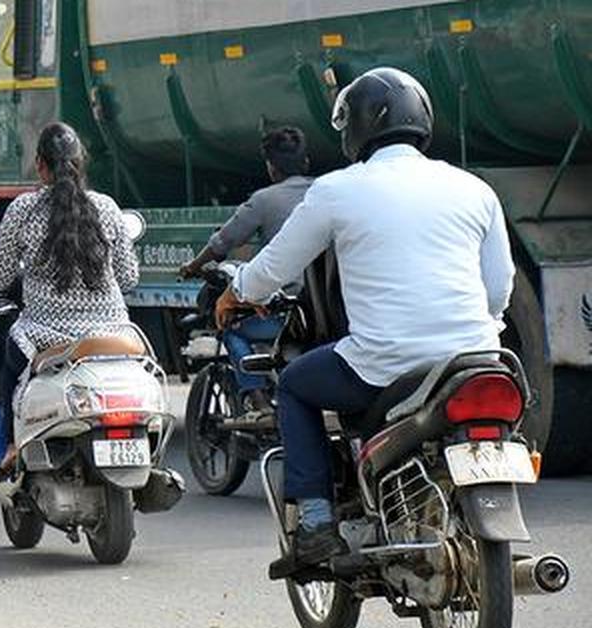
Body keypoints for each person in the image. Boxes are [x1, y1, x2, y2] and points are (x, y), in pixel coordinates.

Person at [214, 67, 514, 572]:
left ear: (357, 126)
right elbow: (498, 287)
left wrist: (236, 292)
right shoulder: (474, 188)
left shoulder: (338, 190)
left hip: (383, 366)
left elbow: (275, 268)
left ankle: (315, 522)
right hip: (476, 359)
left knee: (293, 385)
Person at [0, 122, 140, 473]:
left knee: (10, 360)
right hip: (113, 333)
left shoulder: (24, 209)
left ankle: (13, 446)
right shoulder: (107, 207)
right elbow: (129, 277)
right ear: (80, 163)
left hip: (45, 334)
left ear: (40, 164)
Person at [180, 127, 314, 417]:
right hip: (326, 312)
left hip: (288, 313)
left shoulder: (264, 200)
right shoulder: (325, 191)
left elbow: (222, 243)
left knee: (231, 327)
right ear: (306, 162)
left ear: (271, 167)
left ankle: (258, 400)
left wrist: (192, 267)